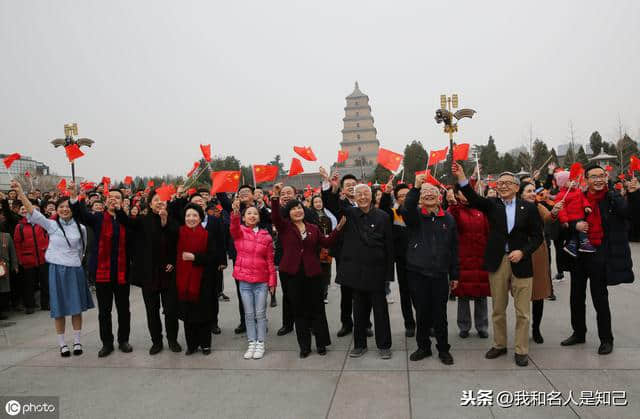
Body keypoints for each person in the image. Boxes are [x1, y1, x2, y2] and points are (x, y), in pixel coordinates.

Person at [452, 163, 543, 367]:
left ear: (517, 187)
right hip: (498, 261)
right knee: (498, 308)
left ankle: (521, 350)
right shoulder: (492, 204)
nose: (502, 186)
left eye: (507, 183)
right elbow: (473, 198)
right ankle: (499, 344)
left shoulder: (528, 208)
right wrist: (462, 177)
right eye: (500, 183)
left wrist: (523, 252)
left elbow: (538, 236)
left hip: (521, 261)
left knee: (522, 311)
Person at [12, 180, 94, 357]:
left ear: (72, 209)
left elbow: (82, 250)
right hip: (56, 270)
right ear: (56, 210)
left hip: (75, 270)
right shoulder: (51, 225)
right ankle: (62, 343)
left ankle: (77, 341)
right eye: (61, 207)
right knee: (59, 309)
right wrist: (20, 192)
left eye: (67, 207)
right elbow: (33, 212)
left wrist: (76, 264)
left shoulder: (81, 228)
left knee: (75, 308)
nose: (65, 209)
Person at [561, 164, 634, 355]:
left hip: (600, 252)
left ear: (606, 177)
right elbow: (565, 219)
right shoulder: (578, 197)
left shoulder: (612, 198)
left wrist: (633, 194)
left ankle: (606, 339)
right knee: (576, 295)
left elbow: (629, 213)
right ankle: (578, 332)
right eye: (594, 177)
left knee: (599, 297)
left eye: (601, 176)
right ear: (586, 179)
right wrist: (575, 225)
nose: (598, 180)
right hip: (579, 252)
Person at [271, 184, 345, 357]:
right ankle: (304, 347)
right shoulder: (285, 227)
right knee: (299, 311)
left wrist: (338, 229)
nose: (297, 211)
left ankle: (321, 344)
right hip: (293, 274)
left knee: (317, 310)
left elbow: (326, 243)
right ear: (288, 213)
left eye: (299, 208)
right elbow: (275, 216)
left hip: (313, 274)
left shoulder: (313, 228)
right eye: (293, 209)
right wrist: (275, 197)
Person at [324, 178, 394, 359]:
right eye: (359, 194)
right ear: (354, 196)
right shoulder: (350, 214)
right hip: (356, 272)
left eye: (366, 194)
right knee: (359, 312)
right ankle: (359, 344)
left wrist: (388, 275)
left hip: (377, 272)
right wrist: (334, 187)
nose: (362, 197)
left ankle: (384, 346)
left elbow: (389, 247)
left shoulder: (383, 217)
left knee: (380, 312)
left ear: (372, 197)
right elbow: (331, 204)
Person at [115, 190, 181, 355]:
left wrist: (165, 220)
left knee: (171, 310)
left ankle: (172, 340)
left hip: (168, 272)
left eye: (162, 200)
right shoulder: (143, 221)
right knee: (152, 311)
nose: (159, 203)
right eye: (156, 200)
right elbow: (126, 222)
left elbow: (177, 244)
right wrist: (118, 209)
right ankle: (156, 342)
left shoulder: (174, 222)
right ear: (150, 204)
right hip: (149, 274)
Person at [70, 186, 133, 358]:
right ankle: (107, 343)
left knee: (123, 309)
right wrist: (75, 198)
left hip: (122, 273)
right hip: (102, 272)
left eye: (117, 197)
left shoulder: (126, 220)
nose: (113, 199)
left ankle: (123, 340)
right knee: (104, 311)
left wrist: (121, 213)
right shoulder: (97, 218)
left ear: (122, 201)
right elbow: (81, 215)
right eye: (110, 197)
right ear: (106, 201)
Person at [404, 176, 458, 365]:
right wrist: (416, 187)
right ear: (420, 198)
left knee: (440, 315)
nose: (428, 195)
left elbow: (453, 249)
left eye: (433, 192)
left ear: (440, 198)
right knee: (422, 313)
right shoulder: (415, 216)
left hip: (440, 275)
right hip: (418, 273)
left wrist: (455, 275)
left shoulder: (448, 219)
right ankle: (423, 347)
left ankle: (443, 349)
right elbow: (407, 208)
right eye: (424, 192)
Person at [320, 169, 373, 339]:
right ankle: (346, 323)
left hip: (365, 254)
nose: (351, 187)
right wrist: (331, 187)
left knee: (365, 291)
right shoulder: (339, 203)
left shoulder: (366, 204)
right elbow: (327, 201)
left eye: (353, 184)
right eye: (347, 185)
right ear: (342, 189)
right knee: (347, 291)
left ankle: (365, 324)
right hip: (345, 254)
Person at [229, 199, 276, 360]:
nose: (252, 215)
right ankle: (252, 342)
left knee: (260, 314)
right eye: (248, 213)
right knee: (249, 315)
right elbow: (233, 227)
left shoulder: (266, 237)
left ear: (259, 217)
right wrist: (235, 213)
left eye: (255, 213)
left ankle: (261, 343)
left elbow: (270, 262)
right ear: (243, 218)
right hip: (244, 282)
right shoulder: (240, 232)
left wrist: (272, 282)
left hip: (261, 282)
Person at [518, 182, 563, 344]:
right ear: (520, 193)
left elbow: (548, 217)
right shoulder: (514, 208)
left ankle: (536, 329)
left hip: (538, 252)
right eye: (528, 191)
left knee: (538, 293)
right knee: (522, 293)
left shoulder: (539, 207)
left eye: (533, 191)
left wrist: (555, 212)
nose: (531, 194)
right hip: (520, 252)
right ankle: (522, 327)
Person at [445, 185, 490, 340]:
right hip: (462, 258)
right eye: (461, 192)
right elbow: (452, 222)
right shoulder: (455, 210)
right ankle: (464, 326)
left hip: (481, 257)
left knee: (481, 294)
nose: (465, 195)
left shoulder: (482, 210)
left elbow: (488, 231)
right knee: (462, 294)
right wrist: (452, 204)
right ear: (457, 195)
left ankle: (482, 326)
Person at [176, 204, 218, 355]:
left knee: (203, 315)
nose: (191, 218)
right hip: (183, 281)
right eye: (188, 215)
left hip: (202, 281)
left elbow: (213, 257)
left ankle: (205, 344)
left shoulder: (207, 235)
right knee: (188, 316)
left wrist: (195, 257)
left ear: (200, 218)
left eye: (194, 215)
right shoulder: (179, 233)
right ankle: (191, 345)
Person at [379, 177, 417, 337]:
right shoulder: (393, 213)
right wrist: (386, 194)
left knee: (421, 294)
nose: (404, 198)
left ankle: (426, 324)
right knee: (405, 293)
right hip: (402, 260)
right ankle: (409, 324)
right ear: (396, 197)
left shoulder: (418, 211)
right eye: (400, 195)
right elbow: (383, 209)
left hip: (420, 260)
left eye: (407, 195)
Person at [13, 204, 50, 314]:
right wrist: (19, 260)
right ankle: (30, 305)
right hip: (28, 260)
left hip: (43, 258)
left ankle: (46, 303)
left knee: (45, 283)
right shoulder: (20, 226)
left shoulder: (42, 225)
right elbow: (17, 244)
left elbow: (48, 239)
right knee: (28, 284)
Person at [554, 170, 596, 256]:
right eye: (570, 180)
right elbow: (561, 209)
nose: (573, 182)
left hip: (580, 215)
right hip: (571, 218)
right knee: (580, 230)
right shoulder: (561, 195)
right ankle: (584, 243)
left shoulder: (578, 191)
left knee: (578, 231)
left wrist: (586, 206)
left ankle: (572, 246)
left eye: (573, 180)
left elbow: (583, 199)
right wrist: (564, 220)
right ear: (563, 183)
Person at [310, 195, 337, 303]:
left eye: (319, 202)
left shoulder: (327, 217)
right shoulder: (310, 216)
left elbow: (330, 232)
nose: (318, 204)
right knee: (316, 271)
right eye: (315, 202)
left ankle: (324, 294)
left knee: (326, 271)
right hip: (314, 247)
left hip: (326, 247)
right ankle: (316, 293)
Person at [0, 228, 18, 320]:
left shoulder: (6, 236)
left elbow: (12, 252)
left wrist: (15, 265)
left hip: (4, 268)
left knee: (4, 290)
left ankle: (2, 310)